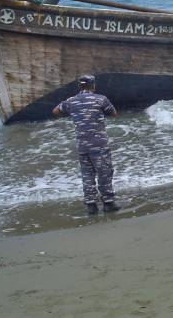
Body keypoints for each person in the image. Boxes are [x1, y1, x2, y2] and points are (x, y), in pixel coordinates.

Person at [52, 75, 121, 215]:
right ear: (93, 86)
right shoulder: (101, 99)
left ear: (80, 86)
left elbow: (55, 111)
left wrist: (75, 115)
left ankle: (91, 205)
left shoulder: (70, 101)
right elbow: (114, 114)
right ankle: (108, 203)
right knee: (104, 172)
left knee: (87, 174)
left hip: (82, 145)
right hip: (99, 143)